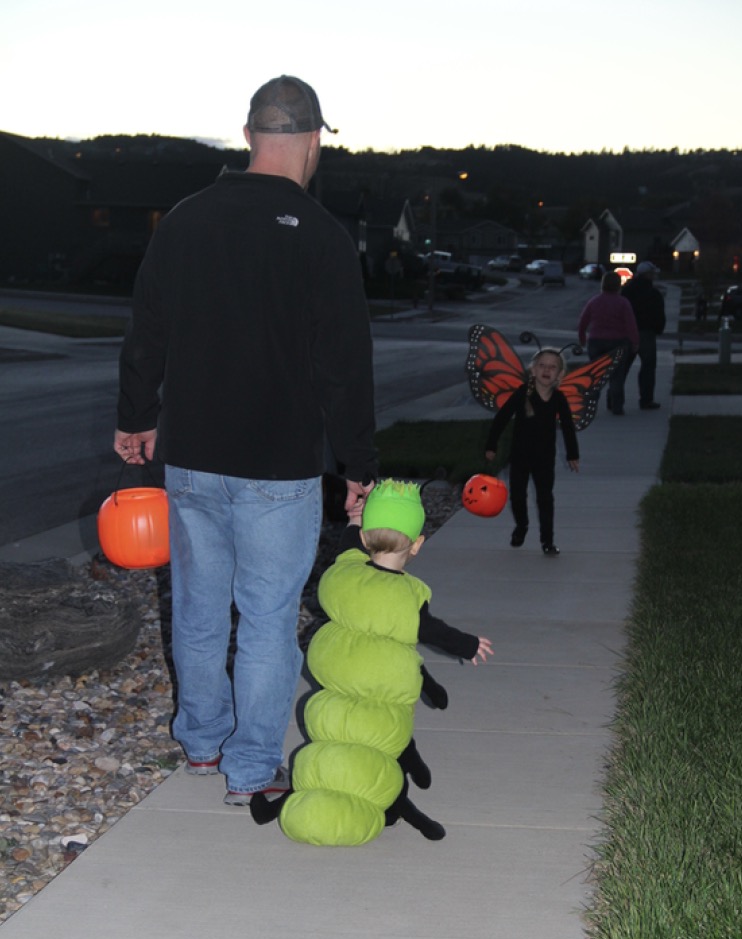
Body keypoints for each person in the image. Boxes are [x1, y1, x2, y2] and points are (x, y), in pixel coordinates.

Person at [114, 75, 378, 804]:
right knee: (265, 621)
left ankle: (202, 744)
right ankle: (251, 770)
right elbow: (345, 366)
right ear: (315, 140)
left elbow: (147, 334)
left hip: (193, 458)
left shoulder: (187, 221)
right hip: (279, 468)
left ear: (250, 134)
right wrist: (360, 465)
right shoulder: (324, 237)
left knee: (199, 610)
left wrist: (136, 416)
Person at [250, 479, 493, 845]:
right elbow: (430, 630)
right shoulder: (407, 596)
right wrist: (469, 645)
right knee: (374, 754)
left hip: (333, 700)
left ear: (365, 539)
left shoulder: (345, 572)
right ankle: (380, 807)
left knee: (331, 746)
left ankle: (295, 803)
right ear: (417, 545)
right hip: (378, 706)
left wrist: (353, 522)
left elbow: (347, 546)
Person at [484, 348, 579, 555]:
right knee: (518, 496)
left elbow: (568, 427)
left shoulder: (559, 399)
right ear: (533, 370)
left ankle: (548, 541)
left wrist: (573, 454)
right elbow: (501, 418)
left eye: (552, 367)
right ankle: (522, 526)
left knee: (545, 498)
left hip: (545, 460)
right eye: (542, 366)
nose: (547, 370)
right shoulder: (521, 394)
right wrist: (491, 445)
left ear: (559, 374)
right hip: (519, 457)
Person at [577, 269, 639, 415]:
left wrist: (582, 339)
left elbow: (583, 322)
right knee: (617, 376)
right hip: (618, 342)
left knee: (595, 377)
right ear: (619, 285)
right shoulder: (623, 303)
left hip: (596, 342)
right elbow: (631, 325)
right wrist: (635, 342)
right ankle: (617, 407)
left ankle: (589, 407)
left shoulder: (594, 301)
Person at [621, 261, 666, 410]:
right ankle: (646, 400)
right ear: (648, 274)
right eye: (652, 273)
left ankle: (614, 399)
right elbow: (659, 314)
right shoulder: (653, 293)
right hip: (646, 332)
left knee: (622, 368)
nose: (654, 276)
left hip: (627, 333)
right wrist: (658, 329)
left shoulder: (626, 291)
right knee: (647, 368)